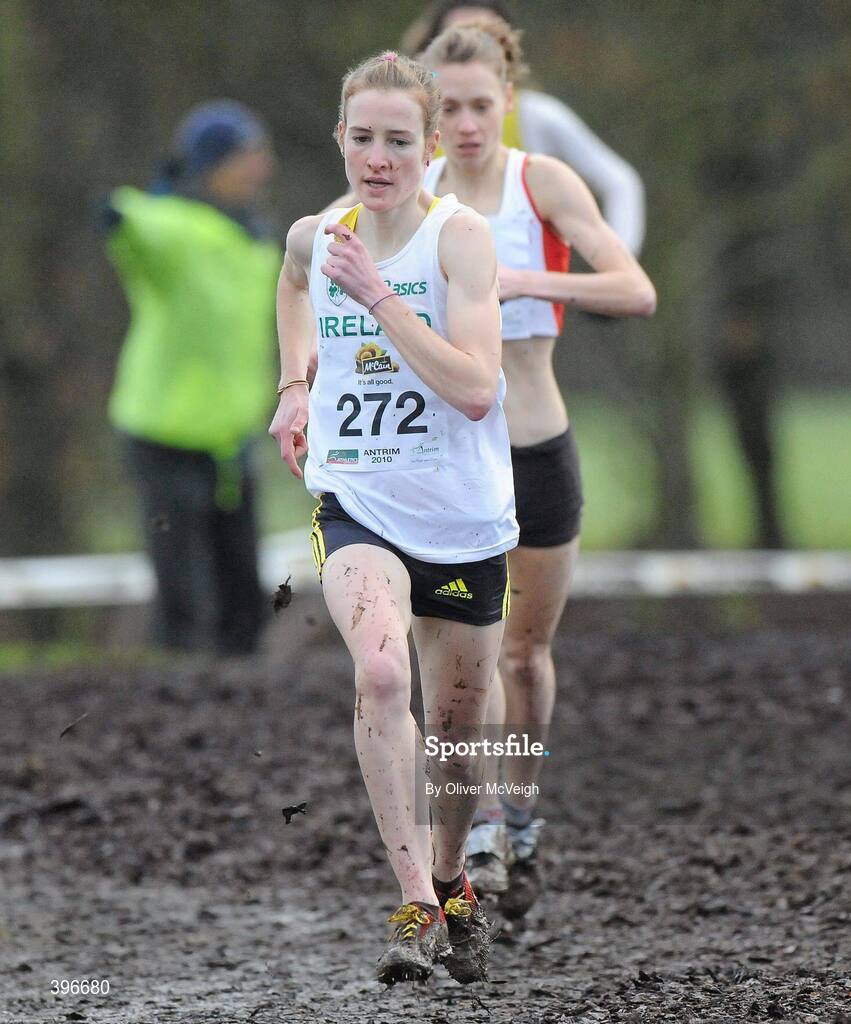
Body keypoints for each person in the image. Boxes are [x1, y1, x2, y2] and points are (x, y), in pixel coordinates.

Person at [268, 51, 518, 985]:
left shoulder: (457, 242)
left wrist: (379, 299)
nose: (378, 159)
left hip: (460, 522)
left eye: (398, 141)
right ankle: (413, 900)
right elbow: (293, 283)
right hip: (357, 501)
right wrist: (295, 383)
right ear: (340, 139)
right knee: (380, 671)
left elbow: (475, 389)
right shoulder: (315, 234)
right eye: (362, 138)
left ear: (428, 149)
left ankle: (452, 882)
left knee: (455, 732)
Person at [419, 22, 656, 916]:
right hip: (446, 460)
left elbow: (632, 290)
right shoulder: (417, 191)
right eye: (450, 107)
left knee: (523, 654)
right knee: (453, 660)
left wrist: (524, 280)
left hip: (536, 445)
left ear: (509, 100)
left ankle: (520, 809)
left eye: (483, 105)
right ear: (428, 110)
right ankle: (472, 823)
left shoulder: (541, 182)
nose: (468, 122)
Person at [102, 101, 279, 655]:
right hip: (164, 435)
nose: (260, 167)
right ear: (212, 165)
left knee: (243, 593)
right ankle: (175, 709)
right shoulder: (176, 226)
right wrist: (122, 215)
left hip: (230, 437)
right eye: (247, 156)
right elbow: (137, 225)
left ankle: (240, 708)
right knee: (183, 594)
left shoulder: (256, 238)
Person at [402, 0, 646, 254]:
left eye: (482, 107)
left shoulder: (536, 117)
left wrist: (619, 261)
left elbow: (620, 182)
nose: (467, 126)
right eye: (456, 39)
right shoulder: (407, 126)